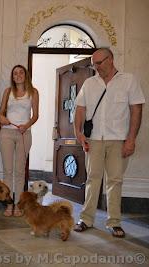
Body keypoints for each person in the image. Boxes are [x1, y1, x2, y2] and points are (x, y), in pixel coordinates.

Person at [73, 48, 145, 238]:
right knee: (92, 179)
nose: (96, 67)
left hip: (118, 139)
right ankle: (86, 219)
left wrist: (131, 139)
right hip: (94, 139)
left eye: (99, 63)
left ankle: (114, 222)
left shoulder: (128, 80)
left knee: (115, 181)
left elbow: (137, 110)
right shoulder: (89, 83)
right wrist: (78, 133)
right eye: (93, 64)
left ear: (110, 60)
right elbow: (80, 109)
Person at [0, 65, 39, 217]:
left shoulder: (33, 92)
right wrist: (2, 118)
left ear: (25, 75)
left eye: (21, 72)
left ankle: (18, 205)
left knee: (20, 171)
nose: (18, 75)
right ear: (12, 77)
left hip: (24, 134)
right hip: (6, 133)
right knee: (8, 171)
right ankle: (8, 205)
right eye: (15, 73)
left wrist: (26, 125)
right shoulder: (8, 92)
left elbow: (35, 115)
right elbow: (0, 112)